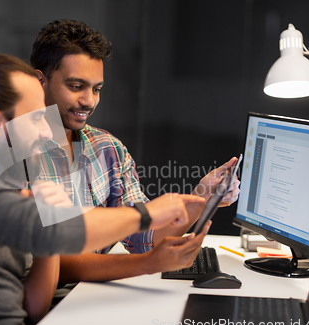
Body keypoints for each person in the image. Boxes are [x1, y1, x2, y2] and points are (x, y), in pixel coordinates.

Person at [0, 53, 206, 325]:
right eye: (37, 117)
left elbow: (34, 307)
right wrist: (147, 214)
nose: (45, 128)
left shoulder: (3, 184)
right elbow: (62, 236)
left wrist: (49, 228)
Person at [29, 19, 241, 283]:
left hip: (90, 297)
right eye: (76, 86)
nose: (89, 101)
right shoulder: (12, 150)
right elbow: (52, 261)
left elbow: (143, 236)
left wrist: (201, 199)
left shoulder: (108, 148)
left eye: (97, 89)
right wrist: (147, 264)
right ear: (41, 81)